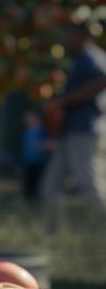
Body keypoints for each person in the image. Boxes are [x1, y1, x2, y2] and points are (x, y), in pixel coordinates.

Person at [41, 22, 106, 231]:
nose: (67, 38)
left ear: (82, 36)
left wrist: (63, 101)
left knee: (89, 184)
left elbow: (101, 81)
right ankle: (52, 234)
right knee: (50, 185)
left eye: (71, 34)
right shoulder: (76, 59)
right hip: (69, 132)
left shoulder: (91, 57)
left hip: (84, 131)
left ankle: (102, 232)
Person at [21, 111, 51, 203]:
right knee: (28, 184)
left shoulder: (42, 131)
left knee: (38, 184)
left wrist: (40, 146)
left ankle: (37, 201)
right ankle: (29, 202)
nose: (29, 121)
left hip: (39, 163)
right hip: (28, 163)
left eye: (31, 119)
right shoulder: (27, 133)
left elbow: (47, 145)